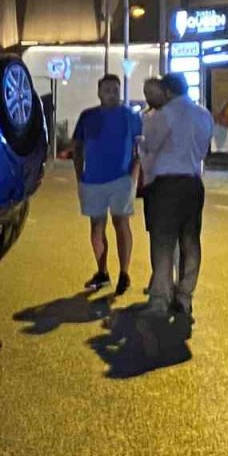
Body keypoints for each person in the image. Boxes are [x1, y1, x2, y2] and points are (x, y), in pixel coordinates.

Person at [139, 73, 214, 316]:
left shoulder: (164, 115)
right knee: (190, 241)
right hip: (193, 182)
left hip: (166, 184)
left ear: (168, 92)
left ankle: (160, 299)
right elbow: (204, 149)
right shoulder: (204, 115)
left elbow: (150, 144)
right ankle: (185, 296)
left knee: (163, 241)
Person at [72, 74, 142, 296]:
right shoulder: (88, 116)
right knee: (96, 227)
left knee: (121, 224)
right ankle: (102, 272)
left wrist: (133, 177)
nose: (112, 94)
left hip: (121, 179)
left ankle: (124, 273)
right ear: (99, 92)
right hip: (92, 180)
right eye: (107, 90)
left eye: (115, 90)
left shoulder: (131, 116)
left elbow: (140, 150)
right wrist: (79, 175)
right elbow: (77, 147)